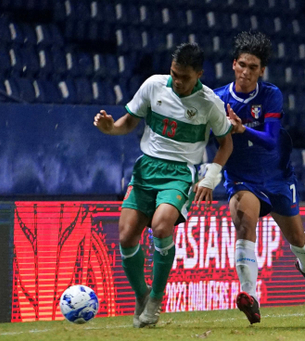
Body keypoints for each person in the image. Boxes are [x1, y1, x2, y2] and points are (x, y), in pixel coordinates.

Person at [93, 42, 233, 328]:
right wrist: (111, 128)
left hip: (179, 172)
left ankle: (156, 299)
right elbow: (129, 122)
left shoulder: (209, 103)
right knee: (126, 236)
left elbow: (226, 144)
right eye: (174, 74)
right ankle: (142, 295)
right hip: (146, 167)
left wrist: (210, 178)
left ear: (199, 74)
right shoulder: (154, 85)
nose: (178, 82)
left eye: (185, 77)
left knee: (160, 226)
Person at [213, 31, 305, 324]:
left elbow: (270, 139)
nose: (246, 72)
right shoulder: (216, 99)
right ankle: (250, 297)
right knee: (244, 223)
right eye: (242, 64)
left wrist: (242, 130)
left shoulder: (270, 94)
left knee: (296, 237)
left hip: (277, 175)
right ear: (233, 64)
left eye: (253, 67)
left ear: (261, 70)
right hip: (242, 177)